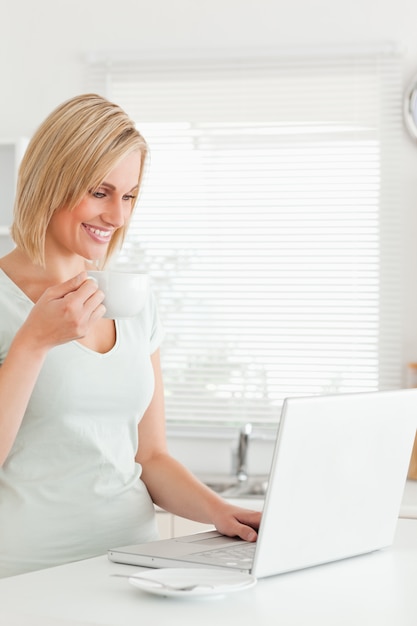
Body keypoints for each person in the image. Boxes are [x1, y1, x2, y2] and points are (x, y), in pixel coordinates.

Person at [0, 94, 261, 578]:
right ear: (51, 182)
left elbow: (151, 456)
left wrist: (219, 511)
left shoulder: (133, 300)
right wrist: (33, 342)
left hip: (134, 568)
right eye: (100, 192)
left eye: (130, 195)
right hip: (27, 577)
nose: (117, 217)